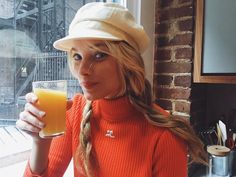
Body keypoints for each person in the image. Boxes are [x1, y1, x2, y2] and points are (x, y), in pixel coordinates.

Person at [16, 2, 207, 177]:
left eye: (99, 55)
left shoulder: (166, 138)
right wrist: (40, 142)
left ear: (127, 62)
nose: (82, 70)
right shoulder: (73, 112)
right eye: (77, 56)